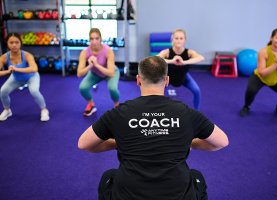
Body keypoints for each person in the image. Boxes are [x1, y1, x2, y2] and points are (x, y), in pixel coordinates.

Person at [78, 56, 229, 200]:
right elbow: (222, 142)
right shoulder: (186, 113)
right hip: (178, 195)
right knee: (196, 176)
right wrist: (190, 143)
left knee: (108, 176)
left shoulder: (119, 113)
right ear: (167, 81)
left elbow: (83, 144)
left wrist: (117, 143)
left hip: (128, 195)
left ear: (138, 80)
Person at [239, 28, 277, 119]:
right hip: (259, 77)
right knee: (251, 91)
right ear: (271, 38)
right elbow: (262, 73)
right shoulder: (263, 51)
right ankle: (246, 106)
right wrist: (276, 63)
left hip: (276, 78)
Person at [0, 33, 50, 122]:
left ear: (20, 43)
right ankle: (7, 110)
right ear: (7, 44)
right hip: (16, 78)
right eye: (11, 42)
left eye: (16, 42)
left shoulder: (27, 55)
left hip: (32, 77)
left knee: (34, 91)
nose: (14, 45)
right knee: (3, 91)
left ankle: (44, 109)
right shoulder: (4, 57)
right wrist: (7, 71)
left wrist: (16, 69)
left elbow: (34, 68)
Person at [157, 29, 204, 110]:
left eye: (181, 38)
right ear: (172, 39)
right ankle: (158, 110)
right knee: (157, 92)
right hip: (168, 77)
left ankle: (197, 112)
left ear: (185, 40)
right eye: (176, 38)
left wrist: (184, 62)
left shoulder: (189, 52)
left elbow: (201, 58)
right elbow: (156, 58)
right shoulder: (167, 52)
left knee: (197, 91)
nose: (178, 40)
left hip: (184, 77)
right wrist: (171, 61)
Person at [77, 28, 120, 116]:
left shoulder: (108, 51)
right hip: (95, 73)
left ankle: (117, 105)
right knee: (82, 87)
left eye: (97, 38)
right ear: (89, 40)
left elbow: (111, 72)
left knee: (113, 88)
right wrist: (90, 66)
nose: (94, 41)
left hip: (109, 73)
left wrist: (96, 65)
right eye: (92, 39)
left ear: (101, 39)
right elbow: (79, 74)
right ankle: (91, 105)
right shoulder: (84, 52)